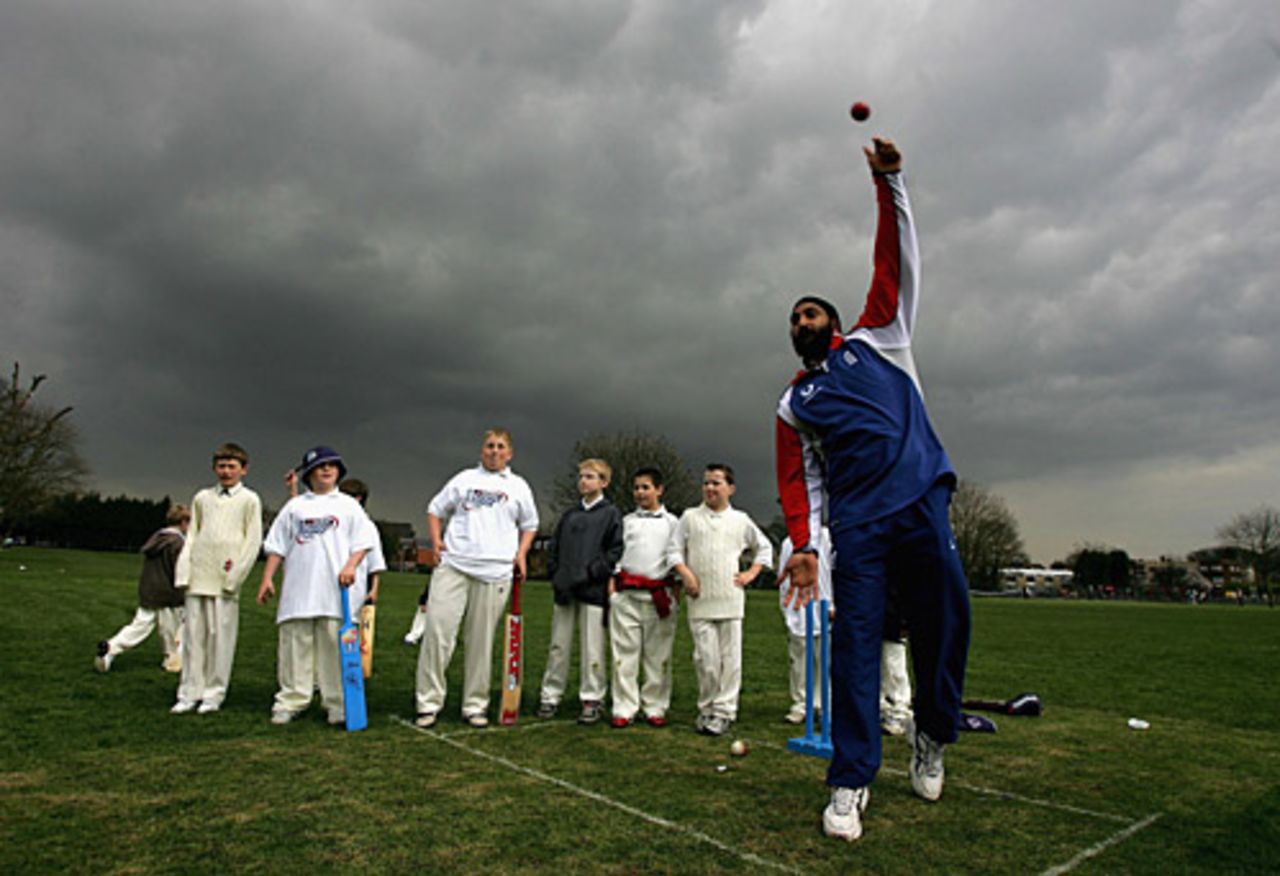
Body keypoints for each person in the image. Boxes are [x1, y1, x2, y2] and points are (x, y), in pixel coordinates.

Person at [775, 137, 970, 842]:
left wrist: (891, 183)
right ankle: (851, 779)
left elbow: (895, 263)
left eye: (811, 312)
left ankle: (933, 733)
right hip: (856, 530)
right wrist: (804, 546)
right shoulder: (794, 401)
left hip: (921, 503)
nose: (803, 321)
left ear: (833, 319)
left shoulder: (879, 337)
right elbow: (798, 481)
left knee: (945, 627)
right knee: (853, 648)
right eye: (794, 318)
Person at [414, 428, 539, 729]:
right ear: (481, 451)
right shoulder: (464, 479)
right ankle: (428, 704)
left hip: (495, 571)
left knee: (480, 642)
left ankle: (474, 705)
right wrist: (435, 541)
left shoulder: (519, 486)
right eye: (489, 446)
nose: (494, 452)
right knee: (437, 635)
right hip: (454, 565)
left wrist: (521, 554)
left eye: (500, 447)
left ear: (509, 453)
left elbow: (530, 524)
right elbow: (434, 509)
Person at [256, 446, 377, 725]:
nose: (326, 470)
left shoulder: (348, 506)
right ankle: (291, 700)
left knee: (334, 649)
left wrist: (351, 565)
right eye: (320, 466)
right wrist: (267, 578)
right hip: (298, 592)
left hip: (336, 593)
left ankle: (337, 704)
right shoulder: (295, 507)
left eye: (332, 465)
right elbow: (277, 546)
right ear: (309, 473)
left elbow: (364, 542)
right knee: (294, 649)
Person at [670, 464, 773, 736]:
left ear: (730, 488)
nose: (710, 488)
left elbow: (764, 547)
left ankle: (725, 711)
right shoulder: (690, 517)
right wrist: (686, 574)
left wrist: (751, 573)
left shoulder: (740, 520)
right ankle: (707, 707)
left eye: (716, 483)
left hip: (730, 599)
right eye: (706, 483)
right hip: (700, 599)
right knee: (706, 659)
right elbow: (673, 550)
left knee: (730, 660)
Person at [171, 443, 263, 715]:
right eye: (221, 466)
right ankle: (189, 692)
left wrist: (235, 577)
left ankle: (213, 694)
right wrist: (184, 572)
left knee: (220, 640)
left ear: (243, 470)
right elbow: (192, 537)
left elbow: (252, 541)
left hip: (224, 580)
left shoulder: (249, 500)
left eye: (232, 466)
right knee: (194, 638)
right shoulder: (202, 498)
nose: (226, 471)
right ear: (214, 468)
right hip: (199, 576)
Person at [536, 459, 624, 724]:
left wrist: (589, 574)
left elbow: (614, 551)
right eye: (581, 476)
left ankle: (592, 698)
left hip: (593, 591)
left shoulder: (611, 514)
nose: (583, 481)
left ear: (604, 482)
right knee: (558, 646)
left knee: (592, 648)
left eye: (590, 476)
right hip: (565, 591)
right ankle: (550, 696)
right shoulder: (570, 515)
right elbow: (555, 549)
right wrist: (557, 575)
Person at [608, 467, 680, 729]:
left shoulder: (673, 523)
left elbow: (677, 558)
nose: (640, 492)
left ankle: (655, 705)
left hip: (659, 596)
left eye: (646, 487)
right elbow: (615, 555)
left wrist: (675, 595)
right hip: (626, 595)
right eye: (636, 488)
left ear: (659, 489)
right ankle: (624, 707)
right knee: (624, 655)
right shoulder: (626, 521)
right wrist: (613, 590)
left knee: (658, 656)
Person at [95, 504, 191, 674]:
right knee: (171, 630)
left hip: (149, 590)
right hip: (168, 594)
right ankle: (172, 659)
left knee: (139, 626)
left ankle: (111, 647)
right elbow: (180, 570)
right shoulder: (178, 543)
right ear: (184, 522)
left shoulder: (157, 539)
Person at [774, 527, 834, 725]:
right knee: (799, 659)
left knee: (824, 659)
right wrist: (786, 608)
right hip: (799, 608)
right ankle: (801, 704)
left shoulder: (826, 536)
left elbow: (833, 571)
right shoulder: (788, 542)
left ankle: (824, 704)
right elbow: (785, 578)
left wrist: (834, 603)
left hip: (824, 606)